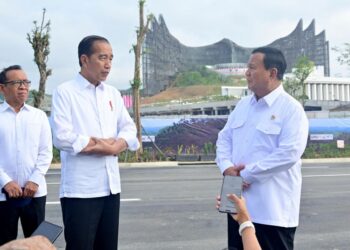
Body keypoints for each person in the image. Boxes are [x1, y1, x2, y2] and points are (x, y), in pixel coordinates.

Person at [50, 35, 139, 250]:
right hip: (81, 190)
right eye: (102, 58)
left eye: (111, 58)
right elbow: (61, 136)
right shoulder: (65, 92)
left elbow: (129, 128)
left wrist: (116, 146)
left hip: (110, 187)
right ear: (84, 59)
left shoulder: (112, 93)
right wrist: (101, 145)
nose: (108, 64)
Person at [216, 47, 309, 250]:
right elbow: (223, 139)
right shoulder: (242, 105)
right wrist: (227, 169)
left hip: (272, 212)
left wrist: (246, 175)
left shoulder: (291, 109)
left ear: (272, 72)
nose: (246, 73)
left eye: (252, 67)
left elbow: (289, 153)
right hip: (237, 206)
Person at [0, 65, 53, 245]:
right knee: (3, 242)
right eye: (16, 82)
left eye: (25, 82)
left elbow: (46, 152)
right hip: (2, 195)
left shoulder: (38, 116)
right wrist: (5, 181)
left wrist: (35, 180)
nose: (23, 86)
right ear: (2, 88)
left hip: (35, 192)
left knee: (39, 242)